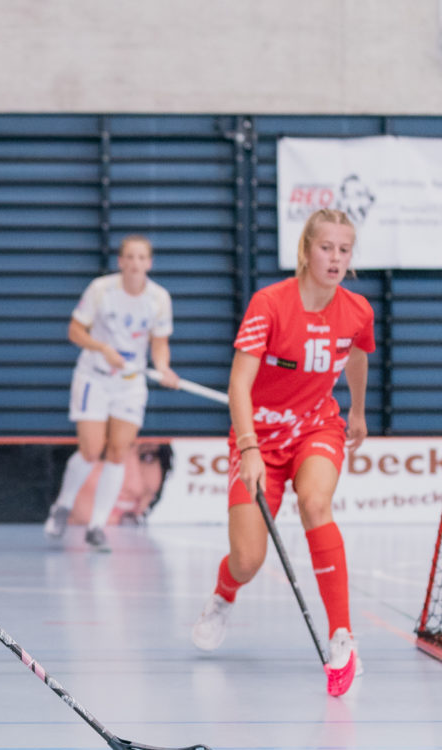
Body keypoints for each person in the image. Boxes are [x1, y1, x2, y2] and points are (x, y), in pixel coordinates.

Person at [190, 208, 374, 697]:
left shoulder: (357, 310)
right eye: (326, 248)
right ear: (306, 250)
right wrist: (248, 447)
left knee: (316, 502)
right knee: (248, 559)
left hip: (317, 426)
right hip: (259, 439)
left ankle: (342, 636)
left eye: (344, 250)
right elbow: (238, 384)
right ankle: (224, 595)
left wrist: (356, 411)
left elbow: (357, 355)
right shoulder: (270, 303)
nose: (335, 259)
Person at [43, 236, 180, 550]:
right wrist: (102, 348)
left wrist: (164, 368)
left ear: (149, 262)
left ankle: (97, 526)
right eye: (129, 257)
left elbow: (159, 343)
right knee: (92, 451)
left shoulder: (159, 298)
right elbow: (75, 330)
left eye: (141, 257)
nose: (135, 263)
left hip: (130, 384)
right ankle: (62, 506)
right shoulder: (101, 289)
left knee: (119, 452)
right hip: (95, 377)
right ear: (121, 261)